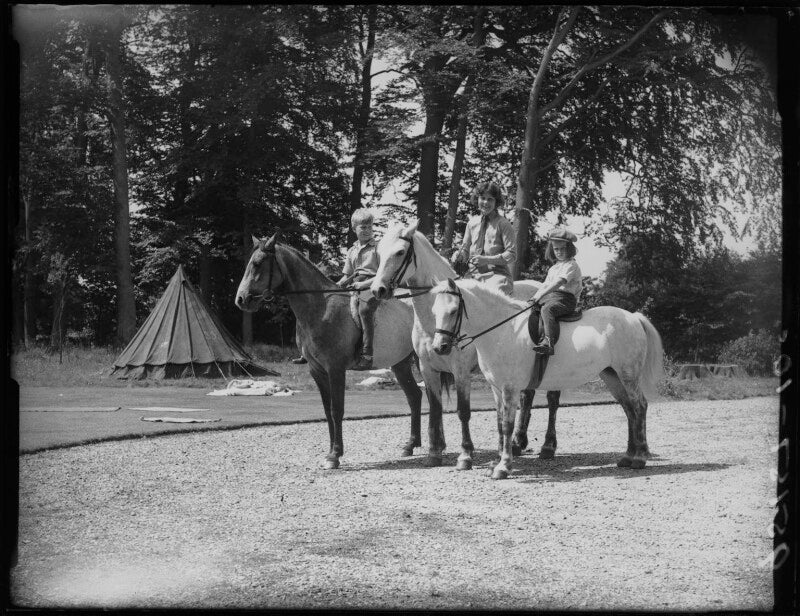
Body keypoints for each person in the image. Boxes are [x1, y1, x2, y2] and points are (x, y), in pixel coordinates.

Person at [450, 180, 516, 295]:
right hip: (472, 275)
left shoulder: (503, 224)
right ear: (477, 199)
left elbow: (511, 255)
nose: (485, 202)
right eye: (483, 198)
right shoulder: (471, 223)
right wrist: (459, 255)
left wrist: (487, 260)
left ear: (496, 202)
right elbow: (465, 251)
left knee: (490, 296)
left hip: (497, 276)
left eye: (490, 199)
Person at [337, 208, 380, 371]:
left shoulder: (378, 248)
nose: (367, 230)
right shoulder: (352, 250)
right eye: (363, 227)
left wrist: (363, 285)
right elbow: (346, 275)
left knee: (365, 310)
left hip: (373, 285)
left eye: (370, 227)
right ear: (354, 228)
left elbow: (382, 275)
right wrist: (336, 286)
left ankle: (367, 354)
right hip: (354, 285)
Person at [529, 228, 582, 356]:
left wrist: (541, 295)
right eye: (556, 249)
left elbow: (558, 283)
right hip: (551, 297)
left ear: (570, 249)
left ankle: (548, 342)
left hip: (566, 300)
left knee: (547, 310)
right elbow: (545, 285)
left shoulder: (571, 265)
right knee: (533, 309)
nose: (559, 252)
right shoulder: (553, 268)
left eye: (563, 249)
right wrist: (533, 298)